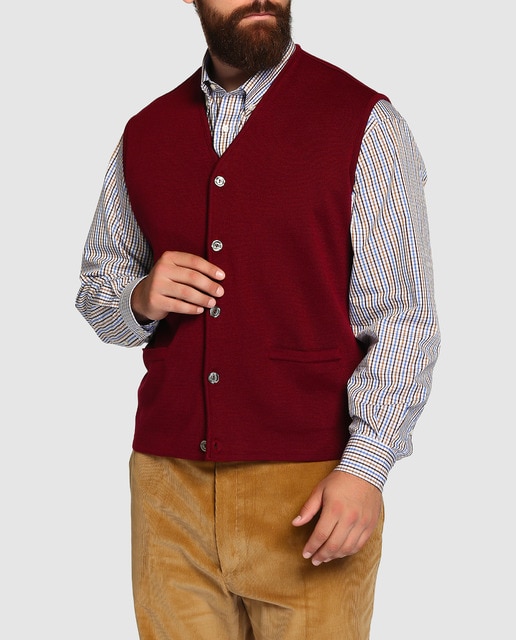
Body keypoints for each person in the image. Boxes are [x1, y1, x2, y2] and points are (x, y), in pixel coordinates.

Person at [75, 1, 440, 638]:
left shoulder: (364, 122)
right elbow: (97, 287)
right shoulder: (146, 131)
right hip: (169, 489)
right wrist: (140, 297)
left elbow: (403, 314)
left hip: (312, 489)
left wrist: (366, 466)